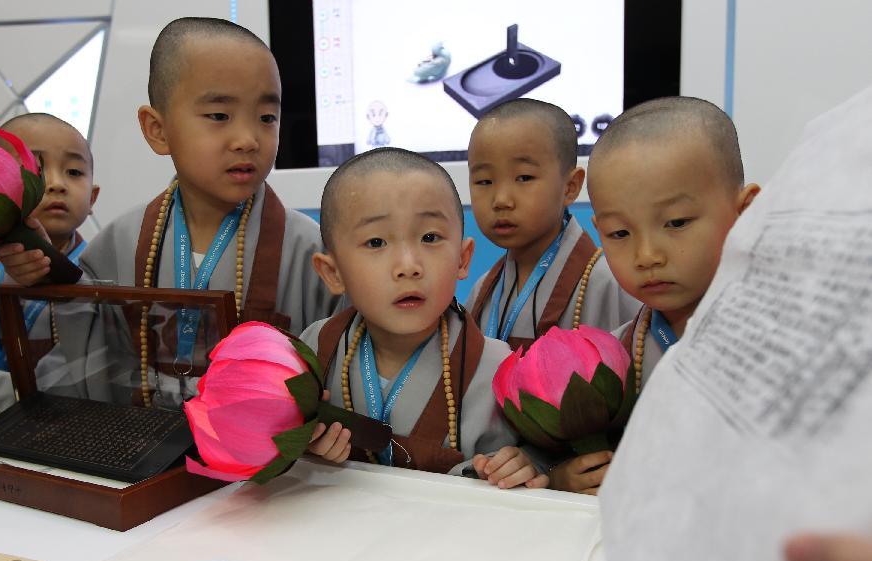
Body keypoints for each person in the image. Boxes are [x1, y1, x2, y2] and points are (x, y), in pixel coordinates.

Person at [0, 17, 339, 406]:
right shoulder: (120, 242)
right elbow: (83, 344)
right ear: (157, 130)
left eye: (267, 118)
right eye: (219, 116)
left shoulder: (308, 248)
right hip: (140, 445)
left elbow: (343, 360)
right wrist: (44, 269)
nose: (247, 139)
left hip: (263, 461)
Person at [547, 96, 760, 494]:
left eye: (676, 222)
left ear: (745, 211)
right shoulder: (621, 352)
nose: (647, 256)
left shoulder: (787, 339)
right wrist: (565, 476)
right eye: (620, 234)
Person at [300, 147, 546, 487]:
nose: (408, 266)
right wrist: (305, 448)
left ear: (463, 259)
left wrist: (525, 464)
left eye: (430, 237)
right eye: (375, 242)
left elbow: (542, 460)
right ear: (332, 272)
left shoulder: (500, 367)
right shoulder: (314, 349)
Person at [465, 98, 638, 353]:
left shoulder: (609, 283)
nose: (501, 200)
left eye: (524, 178)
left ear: (570, 187)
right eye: (484, 181)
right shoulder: (483, 291)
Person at [0, 113, 98, 409]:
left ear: (93, 199)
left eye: (75, 172)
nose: (56, 184)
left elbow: (94, 371)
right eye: (36, 170)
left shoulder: (103, 270)